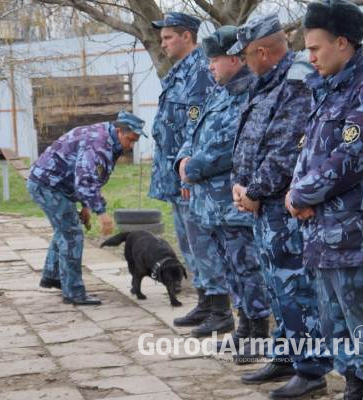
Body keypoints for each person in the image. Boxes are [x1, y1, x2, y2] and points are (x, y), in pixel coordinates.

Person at [286, 1, 363, 398]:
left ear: (342, 43)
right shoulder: (329, 88)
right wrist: (297, 196)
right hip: (321, 232)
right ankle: (354, 383)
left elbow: (351, 157)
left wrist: (300, 194)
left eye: (315, 48)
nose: (309, 57)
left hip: (353, 232)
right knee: (336, 322)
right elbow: (308, 150)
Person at [226, 16, 332, 398]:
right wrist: (243, 188)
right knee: (277, 286)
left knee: (295, 287)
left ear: (263, 51)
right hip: (261, 204)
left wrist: (253, 190)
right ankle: (286, 355)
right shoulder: (265, 84)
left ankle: (312, 367)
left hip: (282, 207)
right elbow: (252, 141)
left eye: (247, 55)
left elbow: (287, 148)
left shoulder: (296, 83)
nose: (244, 62)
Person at [174, 26, 272, 348]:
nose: (210, 66)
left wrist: (193, 168)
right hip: (210, 206)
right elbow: (194, 131)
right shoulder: (220, 90)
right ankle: (243, 327)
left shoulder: (249, 92)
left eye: (214, 59)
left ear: (233, 58)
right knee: (231, 270)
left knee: (247, 269)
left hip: (233, 205)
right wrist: (182, 161)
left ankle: (257, 331)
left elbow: (230, 143)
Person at [146, 11, 219, 329]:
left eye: (167, 37)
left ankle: (219, 307)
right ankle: (205, 302)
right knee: (188, 243)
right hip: (176, 176)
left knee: (201, 243)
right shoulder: (179, 72)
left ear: (186, 36)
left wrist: (190, 171)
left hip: (189, 175)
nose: (163, 45)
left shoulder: (200, 71)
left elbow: (199, 128)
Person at [27, 111, 145, 306]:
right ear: (119, 131)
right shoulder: (98, 143)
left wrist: (86, 206)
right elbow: (85, 179)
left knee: (66, 229)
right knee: (72, 234)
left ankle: (54, 276)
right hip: (48, 185)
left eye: (135, 142)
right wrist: (102, 213)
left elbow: (87, 176)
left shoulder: (107, 139)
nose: (130, 146)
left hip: (57, 185)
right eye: (130, 140)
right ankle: (73, 292)